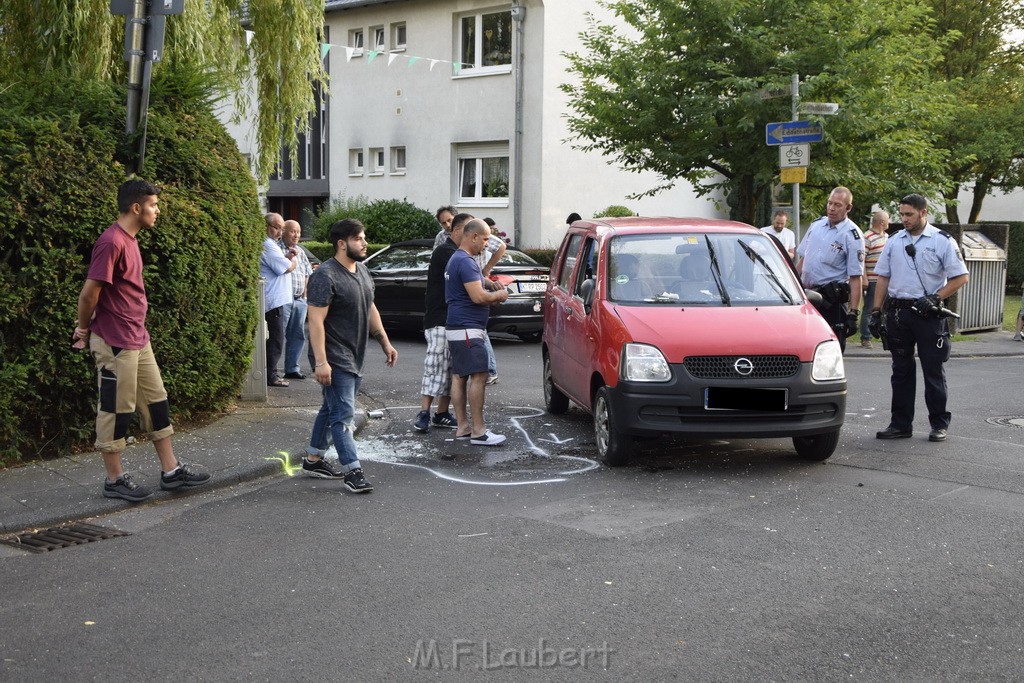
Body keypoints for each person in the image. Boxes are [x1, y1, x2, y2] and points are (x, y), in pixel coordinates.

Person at [72, 179, 211, 502]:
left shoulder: (130, 239)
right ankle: (114, 479)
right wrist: (83, 329)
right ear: (136, 208)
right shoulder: (111, 242)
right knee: (116, 409)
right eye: (153, 205)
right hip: (114, 340)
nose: (157, 211)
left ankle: (171, 471)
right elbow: (89, 294)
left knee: (156, 402)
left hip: (137, 338)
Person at [301, 218, 398, 492]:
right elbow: (316, 321)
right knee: (343, 415)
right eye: (359, 239)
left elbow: (370, 307)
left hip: (355, 355)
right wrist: (321, 362)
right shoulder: (326, 275)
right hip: (334, 357)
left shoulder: (363, 272)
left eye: (364, 237)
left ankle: (313, 459)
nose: (365, 243)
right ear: (342, 244)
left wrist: (385, 342)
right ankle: (352, 471)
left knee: (330, 408)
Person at [869, 193, 969, 443]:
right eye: (901, 214)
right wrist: (876, 311)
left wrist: (936, 297)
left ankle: (939, 424)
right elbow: (883, 276)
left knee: (932, 370)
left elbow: (960, 277)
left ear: (923, 213)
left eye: (909, 214)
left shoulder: (942, 241)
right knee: (900, 370)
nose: (904, 219)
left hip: (928, 314)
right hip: (899, 314)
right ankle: (900, 424)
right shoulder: (894, 241)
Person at [445, 218, 510, 446]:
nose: (486, 244)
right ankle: (479, 431)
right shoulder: (466, 261)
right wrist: (498, 295)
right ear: (473, 237)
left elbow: (475, 284)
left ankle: (463, 427)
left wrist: (488, 283)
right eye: (484, 239)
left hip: (458, 327)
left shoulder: (458, 259)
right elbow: (478, 297)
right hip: (467, 328)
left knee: (459, 376)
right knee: (479, 375)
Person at [414, 213, 473, 433]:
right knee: (435, 365)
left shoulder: (460, 253)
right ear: (456, 230)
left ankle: (441, 413)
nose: (473, 235)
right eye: (469, 229)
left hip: (454, 320)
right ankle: (424, 412)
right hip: (439, 319)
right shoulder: (446, 252)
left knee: (452, 370)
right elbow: (466, 278)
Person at [796, 186, 865, 352]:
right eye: (830, 203)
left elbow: (856, 277)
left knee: (829, 350)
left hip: (830, 301)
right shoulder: (816, 226)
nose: (832, 208)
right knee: (804, 348)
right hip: (806, 297)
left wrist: (853, 313)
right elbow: (803, 260)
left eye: (838, 205)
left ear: (848, 208)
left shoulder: (852, 235)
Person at [261, 212, 297, 387]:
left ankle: (271, 374)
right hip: (273, 300)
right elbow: (286, 268)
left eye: (282, 229)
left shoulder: (271, 244)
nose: (279, 232)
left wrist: (287, 259)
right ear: (267, 226)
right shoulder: (268, 244)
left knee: (276, 338)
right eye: (277, 227)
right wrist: (292, 262)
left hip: (276, 300)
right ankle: (271, 376)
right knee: (276, 339)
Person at [280, 219, 313, 379]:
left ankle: (292, 368)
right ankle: (270, 370)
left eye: (298, 232)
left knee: (297, 335)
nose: (296, 235)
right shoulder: (277, 249)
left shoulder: (300, 251)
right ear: (284, 231)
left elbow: (307, 273)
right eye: (293, 231)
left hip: (299, 300)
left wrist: (305, 295)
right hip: (283, 299)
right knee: (277, 335)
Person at [858, 211, 889, 348]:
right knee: (870, 308)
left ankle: (884, 333)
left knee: (885, 308)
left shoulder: (886, 237)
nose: (889, 222)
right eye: (888, 220)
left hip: (886, 278)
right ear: (882, 222)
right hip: (872, 279)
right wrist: (864, 278)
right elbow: (861, 259)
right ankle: (866, 337)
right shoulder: (867, 237)